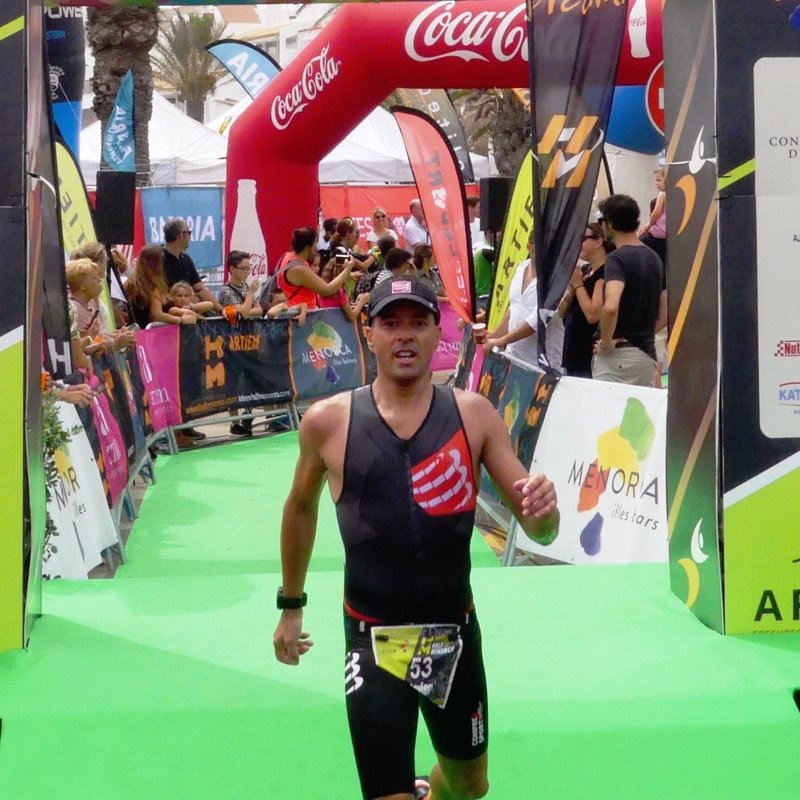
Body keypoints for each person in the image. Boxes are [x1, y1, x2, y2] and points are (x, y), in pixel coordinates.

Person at [273, 277, 559, 800]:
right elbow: (300, 508)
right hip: (372, 639)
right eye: (390, 323)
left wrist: (546, 510)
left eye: (418, 323)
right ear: (369, 333)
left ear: (436, 332)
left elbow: (540, 526)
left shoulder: (473, 415)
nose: (404, 335)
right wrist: (291, 606)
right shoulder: (328, 422)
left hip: (452, 632)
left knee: (471, 787)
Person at [593, 194, 667, 386]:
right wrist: (641, 336)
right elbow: (665, 311)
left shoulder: (616, 259)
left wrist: (606, 343)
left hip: (618, 357)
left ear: (609, 223)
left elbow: (611, 306)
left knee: (608, 405)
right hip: (646, 355)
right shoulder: (654, 258)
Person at [558, 223, 614, 378]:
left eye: (582, 239)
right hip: (572, 353)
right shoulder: (584, 271)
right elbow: (561, 311)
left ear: (598, 241)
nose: (578, 244)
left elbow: (593, 315)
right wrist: (573, 288)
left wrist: (578, 285)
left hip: (589, 355)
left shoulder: (606, 273)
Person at [480, 239, 538, 367]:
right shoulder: (521, 268)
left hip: (540, 363)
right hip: (513, 357)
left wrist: (501, 340)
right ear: (530, 247)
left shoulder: (555, 279)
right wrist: (493, 337)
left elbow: (534, 323)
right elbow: (513, 310)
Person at [126, 244, 200, 330]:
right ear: (156, 263)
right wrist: (181, 320)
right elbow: (157, 315)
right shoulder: (152, 286)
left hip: (135, 331)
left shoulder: (132, 282)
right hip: (151, 333)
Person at [162, 218, 221, 312]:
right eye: (189, 233)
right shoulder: (159, 259)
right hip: (170, 313)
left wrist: (221, 310)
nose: (190, 237)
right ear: (181, 235)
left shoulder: (186, 259)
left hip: (188, 311)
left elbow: (200, 289)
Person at [217, 250, 264, 320]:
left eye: (248, 269)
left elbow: (259, 310)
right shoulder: (226, 291)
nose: (247, 272)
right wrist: (251, 293)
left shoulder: (245, 286)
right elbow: (243, 314)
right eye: (244, 269)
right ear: (232, 269)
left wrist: (247, 310)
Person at [639, 167, 667, 267]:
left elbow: (656, 213)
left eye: (658, 180)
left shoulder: (662, 195)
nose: (656, 183)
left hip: (659, 232)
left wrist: (649, 225)